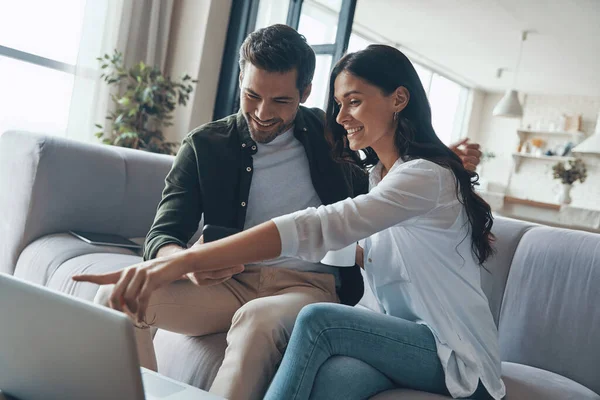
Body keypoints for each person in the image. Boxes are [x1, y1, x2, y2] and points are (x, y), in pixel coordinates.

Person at [74, 26, 486, 400]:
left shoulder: (334, 135)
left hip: (305, 285)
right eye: (252, 95)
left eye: (281, 100)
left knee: (259, 320)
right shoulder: (206, 145)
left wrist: (439, 158)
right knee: (116, 297)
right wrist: (179, 264)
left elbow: (369, 201)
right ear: (240, 80)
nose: (263, 112)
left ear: (305, 92)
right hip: (228, 282)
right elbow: (163, 234)